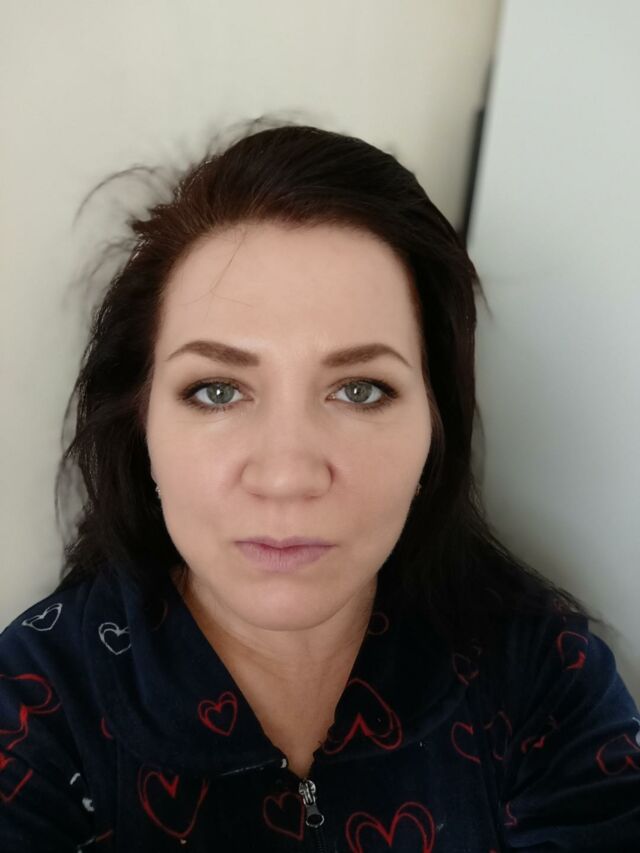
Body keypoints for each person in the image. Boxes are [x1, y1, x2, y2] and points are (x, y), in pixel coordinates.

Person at [1, 118, 638, 852]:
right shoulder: (35, 708)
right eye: (216, 391)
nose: (287, 476)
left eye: (360, 390)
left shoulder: (543, 674)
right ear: (141, 427)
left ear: (435, 428)